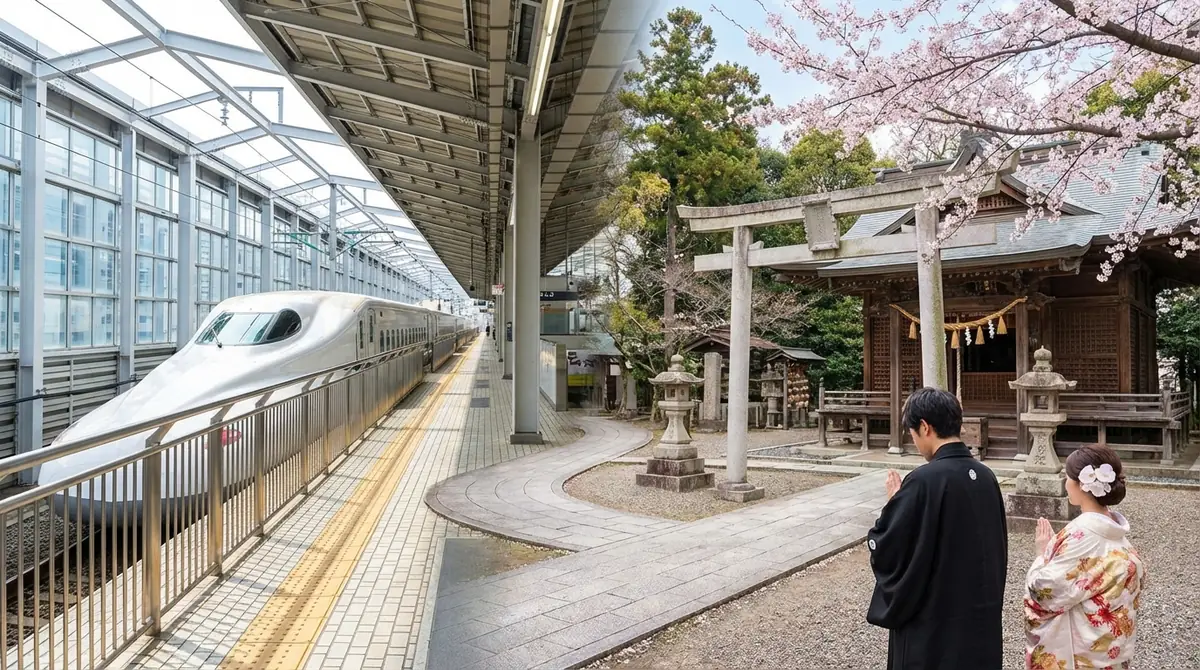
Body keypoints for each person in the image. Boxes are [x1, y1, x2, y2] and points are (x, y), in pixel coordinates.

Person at [866, 387, 1008, 670]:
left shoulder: (923, 480)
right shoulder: (985, 476)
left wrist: (893, 505)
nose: (915, 442)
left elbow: (890, 545)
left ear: (925, 427)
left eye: (913, 434)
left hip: (933, 624)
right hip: (979, 616)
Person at [1025, 445, 1144, 670]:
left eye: (1067, 477)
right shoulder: (1118, 535)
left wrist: (1042, 556)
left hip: (1080, 658)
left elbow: (1043, 592)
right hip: (1112, 652)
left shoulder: (1079, 536)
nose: (1065, 483)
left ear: (1081, 484)